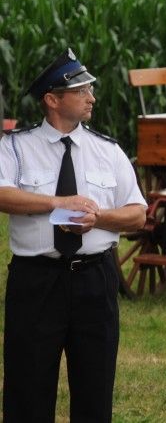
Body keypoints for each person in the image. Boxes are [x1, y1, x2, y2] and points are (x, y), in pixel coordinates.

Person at [0, 48, 147, 422]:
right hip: (37, 281)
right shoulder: (15, 147)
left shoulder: (107, 150)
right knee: (27, 388)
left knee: (95, 389)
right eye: (81, 90)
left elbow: (137, 213)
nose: (91, 97)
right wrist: (57, 202)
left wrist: (98, 217)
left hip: (95, 280)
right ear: (52, 99)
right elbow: (2, 194)